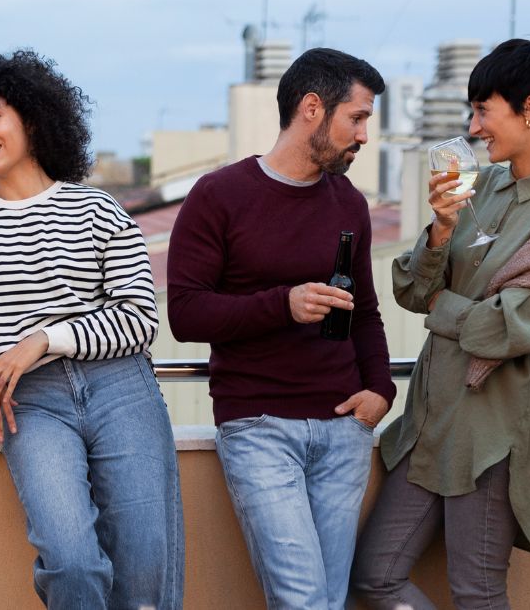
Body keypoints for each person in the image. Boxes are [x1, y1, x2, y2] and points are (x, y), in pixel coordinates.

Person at [0, 49, 184, 610]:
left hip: (120, 391)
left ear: (32, 120)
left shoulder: (99, 209)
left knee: (145, 574)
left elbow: (139, 318)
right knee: (71, 561)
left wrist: (42, 338)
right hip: (28, 405)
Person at [351, 39, 530, 609]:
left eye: (483, 110)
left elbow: (507, 329)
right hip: (430, 421)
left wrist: (444, 308)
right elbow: (410, 289)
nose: (474, 126)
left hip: (493, 435)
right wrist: (440, 231)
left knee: (477, 593)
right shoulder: (483, 185)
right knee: (373, 576)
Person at [166, 47, 395, 610]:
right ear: (312, 108)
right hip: (260, 427)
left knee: (328, 600)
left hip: (343, 429)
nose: (364, 135)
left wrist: (381, 392)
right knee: (302, 600)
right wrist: (282, 304)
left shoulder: (349, 202)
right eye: (358, 118)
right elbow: (185, 313)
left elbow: (363, 310)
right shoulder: (219, 195)